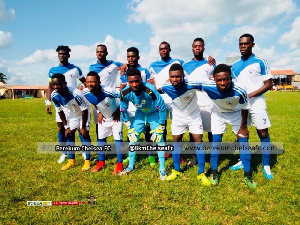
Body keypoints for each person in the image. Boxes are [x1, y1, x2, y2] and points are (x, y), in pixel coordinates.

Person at [199, 64, 256, 188]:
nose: (223, 82)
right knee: (216, 142)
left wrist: (243, 127)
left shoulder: (240, 89)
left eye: (226, 79)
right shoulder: (207, 85)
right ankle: (214, 173)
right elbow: (189, 83)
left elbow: (245, 107)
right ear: (213, 79)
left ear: (231, 78)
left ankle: (248, 175)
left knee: (243, 141)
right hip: (218, 114)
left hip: (236, 113)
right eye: (219, 80)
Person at [230, 34, 273, 180]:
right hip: (241, 105)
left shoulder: (260, 61)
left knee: (262, 133)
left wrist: (251, 94)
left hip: (257, 102)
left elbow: (269, 84)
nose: (243, 47)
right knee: (242, 133)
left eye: (246, 44)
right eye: (241, 44)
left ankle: (266, 165)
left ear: (252, 45)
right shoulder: (234, 66)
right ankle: (243, 160)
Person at [161, 64, 210, 185]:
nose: (175, 79)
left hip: (194, 115)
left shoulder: (193, 83)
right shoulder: (166, 86)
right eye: (172, 77)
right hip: (178, 116)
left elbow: (208, 85)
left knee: (198, 140)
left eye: (178, 76)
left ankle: (201, 173)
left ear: (183, 76)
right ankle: (176, 170)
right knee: (176, 140)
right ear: (169, 77)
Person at [119, 68, 167, 180]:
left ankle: (162, 169)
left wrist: (161, 125)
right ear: (127, 81)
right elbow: (122, 109)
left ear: (141, 79)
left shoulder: (150, 89)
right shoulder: (124, 93)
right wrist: (128, 125)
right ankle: (130, 166)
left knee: (159, 139)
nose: (134, 84)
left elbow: (162, 107)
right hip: (140, 113)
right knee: (133, 138)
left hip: (153, 113)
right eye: (131, 82)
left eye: (137, 81)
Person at [46, 45, 87, 164]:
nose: (62, 55)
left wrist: (84, 92)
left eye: (64, 53)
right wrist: (48, 102)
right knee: (62, 128)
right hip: (60, 102)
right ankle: (64, 152)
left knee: (80, 128)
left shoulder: (76, 69)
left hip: (74, 103)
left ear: (68, 55)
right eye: (60, 53)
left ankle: (85, 151)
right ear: (57, 55)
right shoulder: (52, 70)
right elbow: (50, 87)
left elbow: (84, 81)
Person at [120, 47, 155, 166]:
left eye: (133, 56)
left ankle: (150, 155)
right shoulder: (124, 72)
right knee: (131, 133)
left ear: (138, 57)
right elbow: (122, 88)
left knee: (148, 131)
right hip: (130, 106)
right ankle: (131, 156)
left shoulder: (144, 71)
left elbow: (151, 85)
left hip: (144, 106)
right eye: (128, 57)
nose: (131, 59)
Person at [83, 71, 124, 175]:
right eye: (88, 82)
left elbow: (123, 97)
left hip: (116, 118)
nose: (90, 84)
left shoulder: (108, 91)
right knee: (101, 139)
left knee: (118, 140)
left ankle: (119, 164)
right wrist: (100, 112)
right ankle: (101, 162)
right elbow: (95, 102)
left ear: (99, 82)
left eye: (93, 82)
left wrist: (119, 110)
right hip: (104, 118)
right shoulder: (86, 92)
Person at [50, 73, 91, 171]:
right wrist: (66, 127)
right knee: (69, 135)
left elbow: (84, 110)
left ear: (65, 83)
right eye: (54, 84)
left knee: (83, 134)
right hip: (71, 114)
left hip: (83, 113)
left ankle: (87, 161)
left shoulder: (76, 93)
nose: (56, 87)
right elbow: (60, 111)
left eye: (59, 84)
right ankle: (71, 161)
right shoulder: (54, 95)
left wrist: (83, 127)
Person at [183, 38, 214, 143]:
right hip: (192, 101)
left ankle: (213, 155)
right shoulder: (185, 65)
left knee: (212, 130)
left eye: (200, 46)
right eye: (195, 46)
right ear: (192, 49)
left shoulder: (210, 63)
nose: (197, 48)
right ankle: (194, 156)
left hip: (208, 101)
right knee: (193, 130)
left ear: (203, 48)